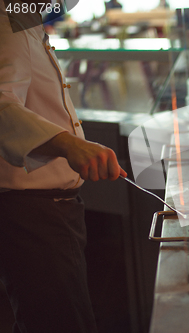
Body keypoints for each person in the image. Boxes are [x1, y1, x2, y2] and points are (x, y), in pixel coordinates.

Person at [0, 1, 126, 332]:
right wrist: (70, 144)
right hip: (34, 213)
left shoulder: (25, 21)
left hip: (51, 209)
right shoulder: (7, 22)